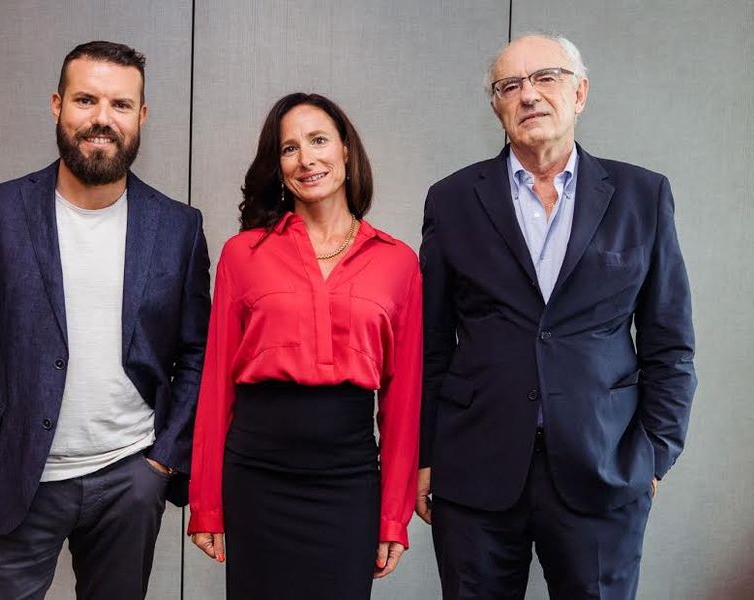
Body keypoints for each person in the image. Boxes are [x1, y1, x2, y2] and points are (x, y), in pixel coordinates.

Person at [0, 41, 210, 599]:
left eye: (120, 104)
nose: (102, 118)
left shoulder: (180, 227)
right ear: (57, 105)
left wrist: (162, 463)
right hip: (10, 473)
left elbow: (197, 352)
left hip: (130, 476)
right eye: (85, 100)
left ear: (141, 115)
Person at [418, 33, 697, 599]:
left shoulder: (641, 195)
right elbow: (430, 344)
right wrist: (425, 454)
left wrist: (653, 454)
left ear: (580, 93)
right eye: (510, 85)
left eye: (546, 78)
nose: (529, 95)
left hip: (603, 467)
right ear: (496, 106)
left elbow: (670, 344)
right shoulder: (451, 200)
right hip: (476, 469)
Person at [188, 93, 421, 599]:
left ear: (345, 150)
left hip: (348, 480)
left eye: (318, 141)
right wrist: (206, 502)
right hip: (256, 477)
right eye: (289, 148)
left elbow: (403, 401)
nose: (306, 159)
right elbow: (215, 384)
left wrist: (393, 516)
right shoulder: (243, 254)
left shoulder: (398, 262)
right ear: (278, 166)